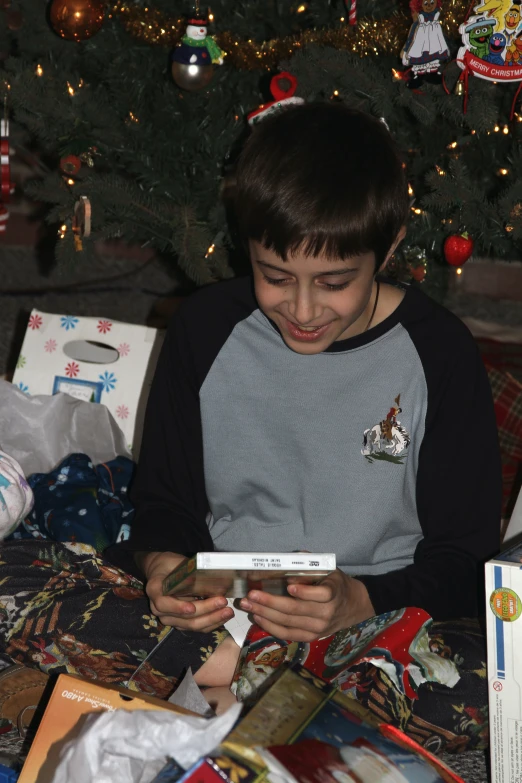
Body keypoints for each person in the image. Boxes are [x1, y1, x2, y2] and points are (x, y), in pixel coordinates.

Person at [0, 103, 501, 751]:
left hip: (368, 626)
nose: (302, 308)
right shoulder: (208, 327)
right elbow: (166, 502)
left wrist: (359, 598)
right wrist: (163, 570)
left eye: (334, 282)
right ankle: (270, 704)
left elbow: (464, 561)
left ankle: (211, 700)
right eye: (275, 275)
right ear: (249, 247)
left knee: (486, 674)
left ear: (392, 246)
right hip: (220, 622)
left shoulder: (441, 352)